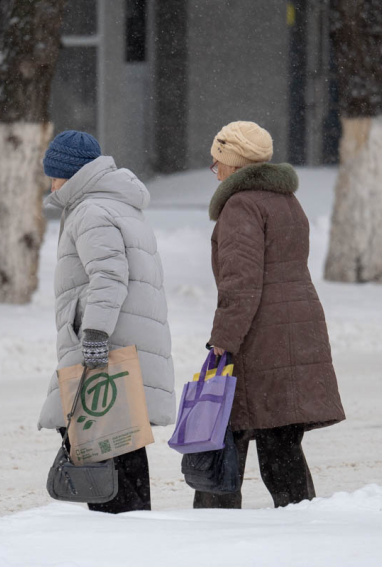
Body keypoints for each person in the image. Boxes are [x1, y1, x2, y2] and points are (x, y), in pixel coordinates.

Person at [199, 121, 346, 509]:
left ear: (233, 164)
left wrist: (223, 341)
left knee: (223, 440)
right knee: (281, 443)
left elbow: (241, 282)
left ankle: (209, 532)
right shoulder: (285, 201)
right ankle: (302, 518)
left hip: (262, 337)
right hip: (296, 329)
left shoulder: (241, 205)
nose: (215, 171)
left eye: (217, 163)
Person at [37, 130, 175, 514]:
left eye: (53, 174)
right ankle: (129, 536)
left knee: (106, 458)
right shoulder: (117, 204)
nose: (51, 183)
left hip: (107, 347)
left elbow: (110, 276)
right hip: (124, 347)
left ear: (68, 174)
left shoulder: (91, 211)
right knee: (123, 450)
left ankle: (117, 542)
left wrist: (94, 334)